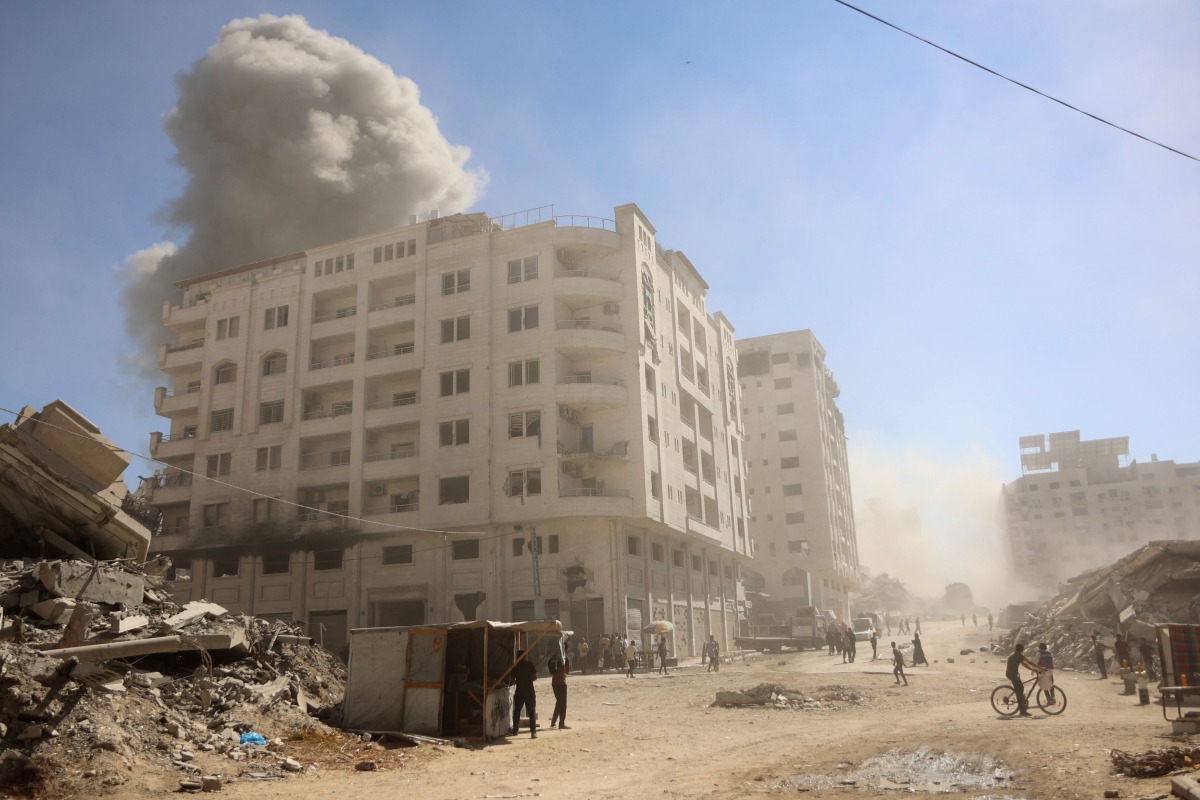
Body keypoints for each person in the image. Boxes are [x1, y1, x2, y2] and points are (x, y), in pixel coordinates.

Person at [1006, 643, 1046, 717]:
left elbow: (1024, 664)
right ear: (1022, 649)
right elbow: (1029, 662)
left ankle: (1022, 705)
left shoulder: (1015, 655)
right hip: (1012, 675)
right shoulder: (1019, 655)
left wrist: (1032, 669)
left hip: (1012, 674)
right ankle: (1022, 711)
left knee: (1020, 688)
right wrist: (1040, 668)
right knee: (1020, 690)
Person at [511, 650, 539, 738]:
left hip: (519, 691)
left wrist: (520, 681)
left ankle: (515, 730)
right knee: (531, 711)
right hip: (529, 691)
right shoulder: (530, 665)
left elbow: (513, 681)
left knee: (517, 711)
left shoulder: (515, 667)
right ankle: (533, 732)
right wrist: (528, 680)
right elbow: (535, 677)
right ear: (524, 656)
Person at [548, 653, 571, 729]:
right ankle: (561, 723)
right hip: (561, 684)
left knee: (559, 703)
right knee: (563, 705)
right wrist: (567, 661)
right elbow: (567, 671)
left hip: (555, 683)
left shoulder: (554, 660)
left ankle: (553, 722)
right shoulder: (563, 661)